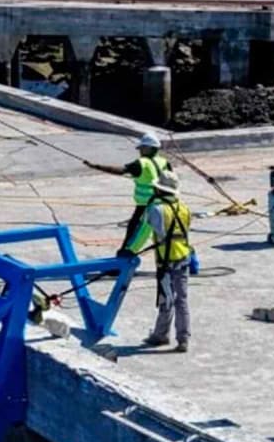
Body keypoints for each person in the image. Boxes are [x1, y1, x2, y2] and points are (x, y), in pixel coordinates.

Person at [131, 170, 193, 353]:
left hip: (166, 261)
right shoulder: (184, 207)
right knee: (182, 299)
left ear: (159, 189)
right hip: (184, 258)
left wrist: (130, 251)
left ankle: (160, 335)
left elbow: (144, 233)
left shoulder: (156, 209)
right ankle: (183, 339)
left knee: (166, 299)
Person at [83, 133, 172, 254]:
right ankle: (189, 260)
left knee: (134, 234)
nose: (140, 151)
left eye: (142, 148)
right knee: (172, 235)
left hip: (146, 206)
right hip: (165, 204)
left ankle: (123, 259)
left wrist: (96, 166)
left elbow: (120, 171)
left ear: (150, 148)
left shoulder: (142, 163)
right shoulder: (164, 161)